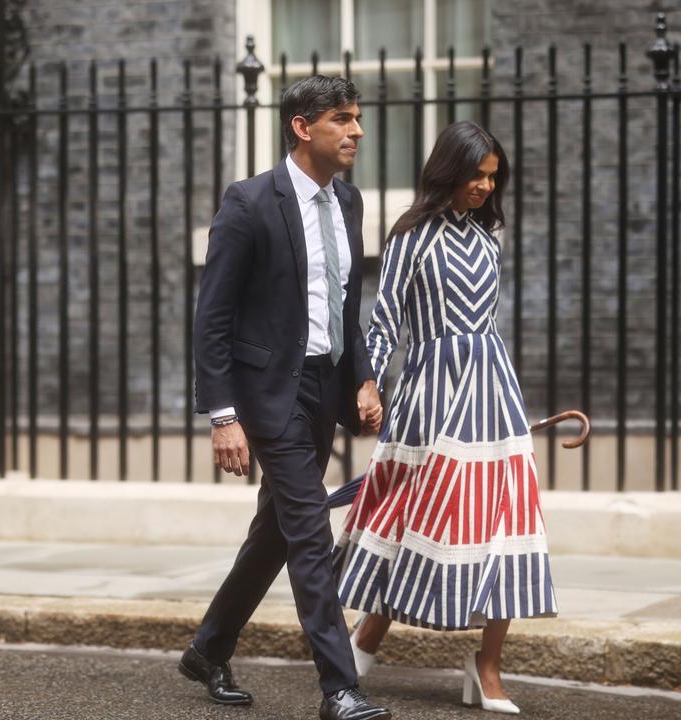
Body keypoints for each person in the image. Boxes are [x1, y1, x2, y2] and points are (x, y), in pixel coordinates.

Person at [179, 75, 391, 720]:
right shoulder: (249, 202)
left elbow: (347, 302)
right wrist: (223, 416)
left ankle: (207, 648)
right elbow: (212, 317)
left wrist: (362, 376)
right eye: (342, 119)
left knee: (276, 531)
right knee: (307, 530)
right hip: (270, 393)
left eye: (357, 118)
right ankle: (339, 687)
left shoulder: (347, 202)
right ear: (303, 127)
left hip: (326, 387)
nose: (356, 130)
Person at [333, 121, 557, 715]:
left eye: (492, 177)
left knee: (506, 520)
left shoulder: (490, 238)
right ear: (447, 172)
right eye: (475, 175)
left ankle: (487, 669)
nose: (484, 187)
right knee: (415, 514)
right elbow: (384, 324)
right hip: (432, 393)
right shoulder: (412, 236)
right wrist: (367, 384)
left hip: (492, 389)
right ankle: (366, 639)